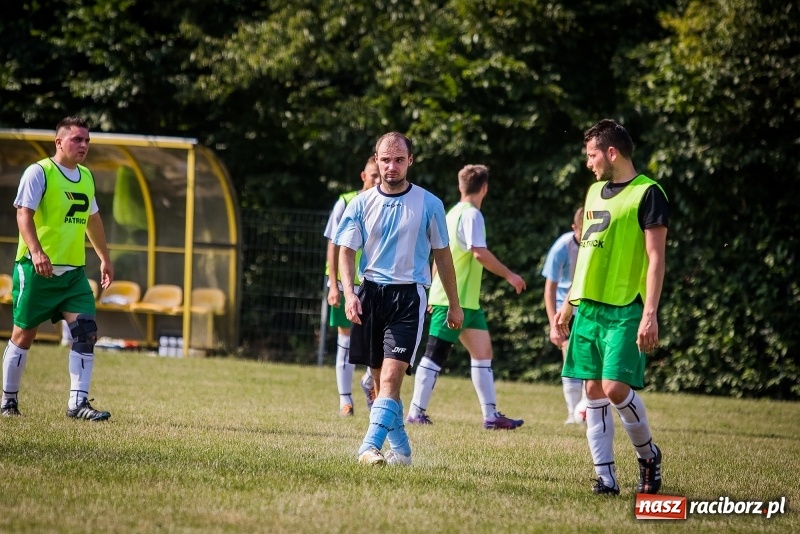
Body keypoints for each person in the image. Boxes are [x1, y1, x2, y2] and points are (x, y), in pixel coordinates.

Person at [334, 131, 463, 466]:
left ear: (410, 161)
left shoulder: (430, 204)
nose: (391, 166)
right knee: (379, 384)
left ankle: (367, 448)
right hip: (371, 295)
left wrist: (453, 303)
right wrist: (349, 293)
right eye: (385, 159)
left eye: (399, 160)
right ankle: (402, 453)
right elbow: (346, 253)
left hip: (409, 297)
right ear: (376, 160)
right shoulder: (359, 204)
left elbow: (443, 257)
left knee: (391, 378)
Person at [555, 119, 669, 495]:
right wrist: (570, 302)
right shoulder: (593, 193)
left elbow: (656, 259)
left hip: (625, 307)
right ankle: (605, 477)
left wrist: (650, 313)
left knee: (615, 388)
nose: (589, 163)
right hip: (588, 306)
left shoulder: (649, 193)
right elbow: (587, 255)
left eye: (592, 155)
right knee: (593, 391)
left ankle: (648, 455)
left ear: (612, 152)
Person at [2, 116, 114, 421]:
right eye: (77, 139)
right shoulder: (40, 172)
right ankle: (8, 401)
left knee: (86, 331)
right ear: (59, 142)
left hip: (74, 273)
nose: (84, 145)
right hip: (37, 269)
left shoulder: (87, 177)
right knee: (24, 334)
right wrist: (36, 252)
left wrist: (104, 257)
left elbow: (92, 220)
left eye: (87, 140)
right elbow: (23, 214)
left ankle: (78, 404)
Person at [406, 164, 526, 430]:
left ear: (461, 187)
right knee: (435, 353)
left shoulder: (452, 213)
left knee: (483, 353)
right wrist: (510, 275)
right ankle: (415, 412)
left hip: (466, 302)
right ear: (484, 188)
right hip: (452, 300)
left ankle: (491, 415)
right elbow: (479, 252)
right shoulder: (471, 214)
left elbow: (440, 255)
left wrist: (433, 288)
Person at [323, 157, 382, 417]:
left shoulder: (386, 204)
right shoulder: (346, 202)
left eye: (381, 176)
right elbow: (333, 244)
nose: (378, 180)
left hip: (374, 283)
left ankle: (370, 381)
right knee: (345, 341)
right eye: (373, 175)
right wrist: (334, 284)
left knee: (378, 341)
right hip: (345, 283)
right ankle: (345, 401)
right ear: (363, 176)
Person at [542, 206, 587, 424]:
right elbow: (550, 289)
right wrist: (554, 324)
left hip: (589, 307)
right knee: (569, 356)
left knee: (589, 359)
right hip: (565, 308)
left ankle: (588, 409)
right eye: (582, 232)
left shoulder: (597, 246)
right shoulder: (562, 247)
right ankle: (572, 413)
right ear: (574, 228)